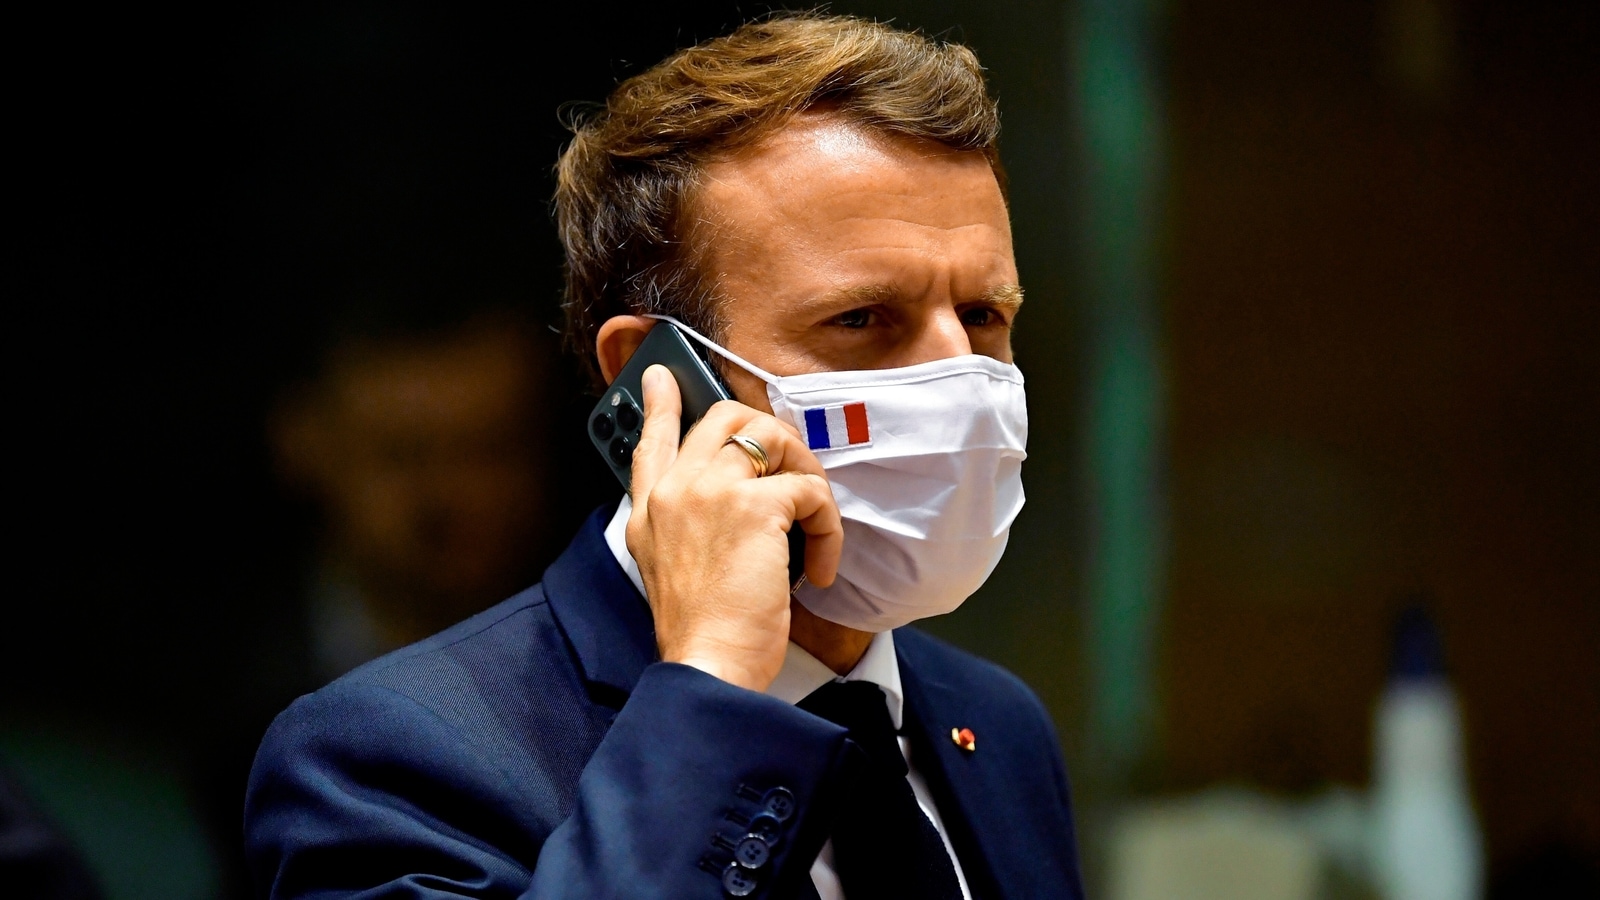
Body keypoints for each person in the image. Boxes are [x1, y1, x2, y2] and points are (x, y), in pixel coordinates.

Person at [245, 14, 1086, 899]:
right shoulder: (386, 754)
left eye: (984, 316)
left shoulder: (997, 728)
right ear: (657, 382)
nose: (955, 375)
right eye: (861, 320)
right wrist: (712, 686)